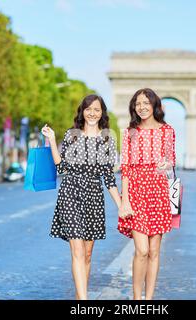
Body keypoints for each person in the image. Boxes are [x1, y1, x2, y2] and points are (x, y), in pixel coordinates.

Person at [41, 94, 123, 300]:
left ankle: (80, 297)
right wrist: (51, 140)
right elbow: (62, 166)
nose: (92, 113)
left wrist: (122, 206)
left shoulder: (107, 139)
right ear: (82, 111)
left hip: (94, 197)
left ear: (102, 112)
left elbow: (108, 177)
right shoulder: (72, 135)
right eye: (88, 109)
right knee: (77, 251)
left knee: (87, 254)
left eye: (96, 109)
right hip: (71, 192)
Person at [118, 88, 176, 300]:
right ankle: (136, 298)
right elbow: (125, 168)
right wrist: (124, 201)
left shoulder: (167, 131)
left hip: (158, 192)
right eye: (137, 103)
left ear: (155, 105)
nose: (141, 107)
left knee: (154, 251)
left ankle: (148, 299)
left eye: (145, 103)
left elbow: (171, 160)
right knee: (141, 250)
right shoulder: (129, 132)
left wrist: (166, 163)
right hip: (136, 192)